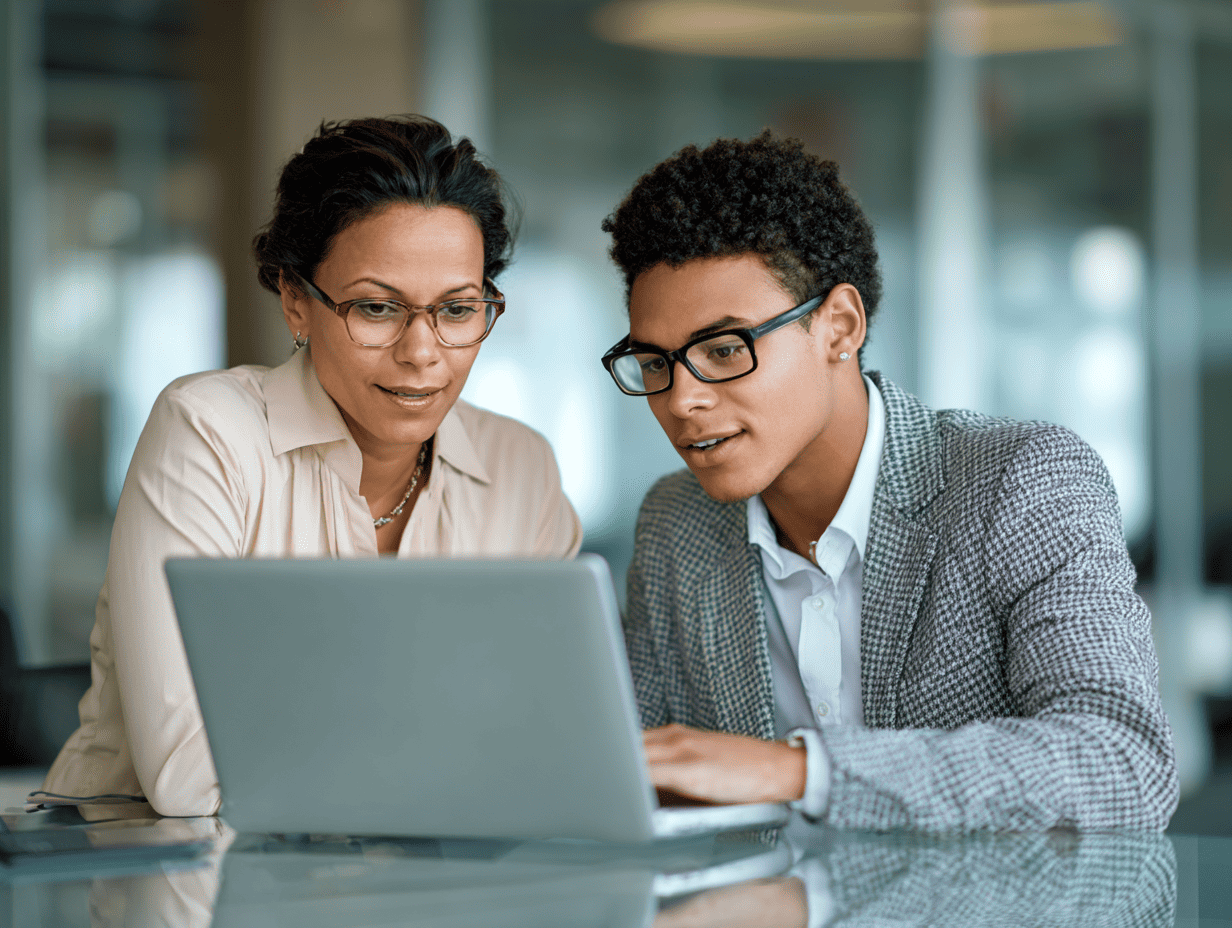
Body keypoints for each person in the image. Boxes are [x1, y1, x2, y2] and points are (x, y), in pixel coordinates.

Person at [600, 131, 1178, 831]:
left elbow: (1121, 764)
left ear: (839, 326)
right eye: (655, 362)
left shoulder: (1019, 483)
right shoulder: (676, 522)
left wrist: (800, 773)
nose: (681, 399)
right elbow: (641, 785)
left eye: (724, 350)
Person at [37, 116, 582, 817]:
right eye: (378, 308)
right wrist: (462, 738)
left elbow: (557, 747)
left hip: (429, 879)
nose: (423, 351)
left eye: (457, 309)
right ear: (297, 300)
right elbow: (187, 776)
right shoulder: (210, 434)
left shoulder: (520, 469)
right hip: (158, 874)